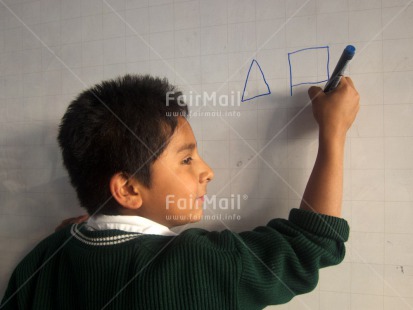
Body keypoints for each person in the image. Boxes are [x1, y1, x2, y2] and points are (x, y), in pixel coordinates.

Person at [0, 74, 359, 309]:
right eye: (187, 159)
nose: (208, 171)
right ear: (127, 188)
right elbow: (310, 244)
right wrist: (333, 132)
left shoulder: (42, 261)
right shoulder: (198, 265)